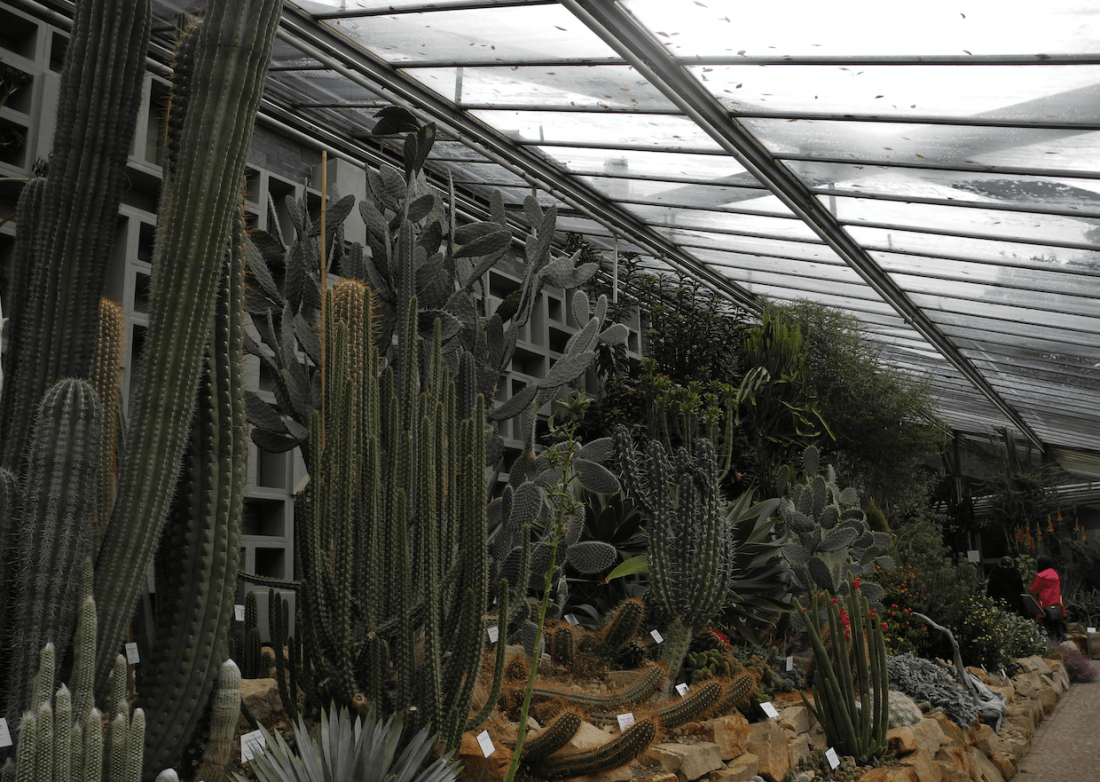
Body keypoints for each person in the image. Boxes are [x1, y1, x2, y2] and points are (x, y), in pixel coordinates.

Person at [1029, 555, 1067, 641]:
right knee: (1058, 630)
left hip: (1045, 607)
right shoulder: (1055, 574)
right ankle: (1069, 649)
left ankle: (1056, 650)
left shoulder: (1041, 576)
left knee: (1050, 631)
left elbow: (1033, 590)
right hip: (1057, 606)